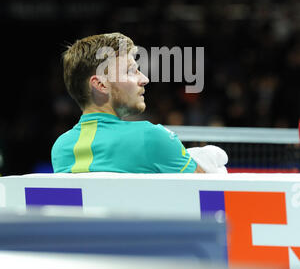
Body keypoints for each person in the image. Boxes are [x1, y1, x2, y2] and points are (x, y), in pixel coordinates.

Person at [51, 32, 228, 174]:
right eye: (131, 71)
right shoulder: (151, 137)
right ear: (100, 84)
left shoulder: (60, 149)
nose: (144, 79)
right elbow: (207, 195)